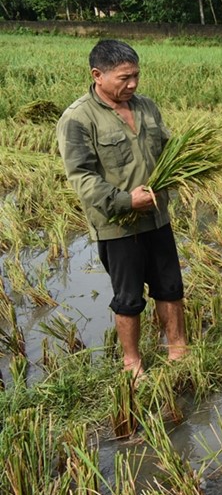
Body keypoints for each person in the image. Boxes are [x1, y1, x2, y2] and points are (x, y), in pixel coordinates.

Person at [56, 39, 188, 377]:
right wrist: (127, 200)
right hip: (118, 225)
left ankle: (178, 350)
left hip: (157, 217)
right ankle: (133, 362)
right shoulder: (78, 118)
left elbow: (168, 150)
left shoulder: (146, 107)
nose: (132, 85)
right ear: (98, 75)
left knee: (170, 287)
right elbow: (82, 178)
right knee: (128, 298)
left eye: (136, 77)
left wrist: (183, 170)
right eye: (124, 78)